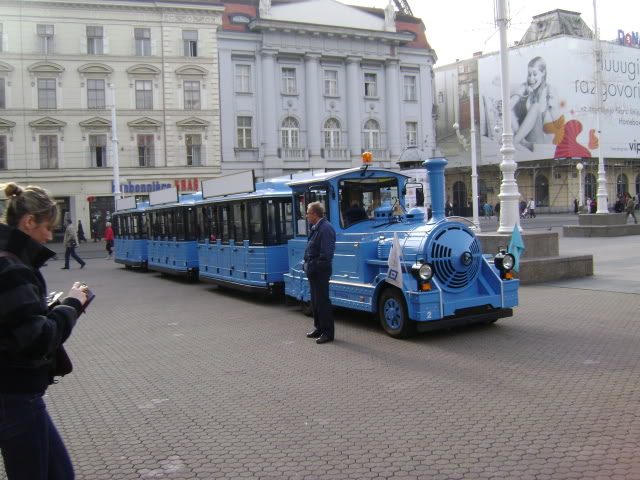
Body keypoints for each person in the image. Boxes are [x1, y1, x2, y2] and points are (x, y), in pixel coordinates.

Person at [0, 182, 88, 480]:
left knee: (59, 473)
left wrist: (50, 310)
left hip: (19, 393)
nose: (50, 236)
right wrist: (71, 306)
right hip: (15, 393)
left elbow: (17, 322)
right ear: (28, 222)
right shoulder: (11, 269)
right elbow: (37, 339)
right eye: (47, 227)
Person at [303, 202, 336, 345]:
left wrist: (315, 267)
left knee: (322, 302)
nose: (306, 216)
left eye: (308, 213)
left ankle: (328, 333)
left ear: (315, 214)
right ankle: (319, 327)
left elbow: (326, 254)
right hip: (313, 271)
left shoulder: (325, 229)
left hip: (320, 272)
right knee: (315, 301)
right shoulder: (317, 228)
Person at [511, 56, 560, 151]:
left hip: (537, 140)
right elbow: (508, 108)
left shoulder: (550, 90)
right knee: (509, 108)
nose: (531, 78)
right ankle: (518, 141)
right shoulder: (524, 87)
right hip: (524, 140)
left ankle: (515, 141)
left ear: (543, 73)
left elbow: (558, 124)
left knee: (536, 106)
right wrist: (523, 94)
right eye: (529, 74)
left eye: (535, 74)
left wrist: (553, 106)